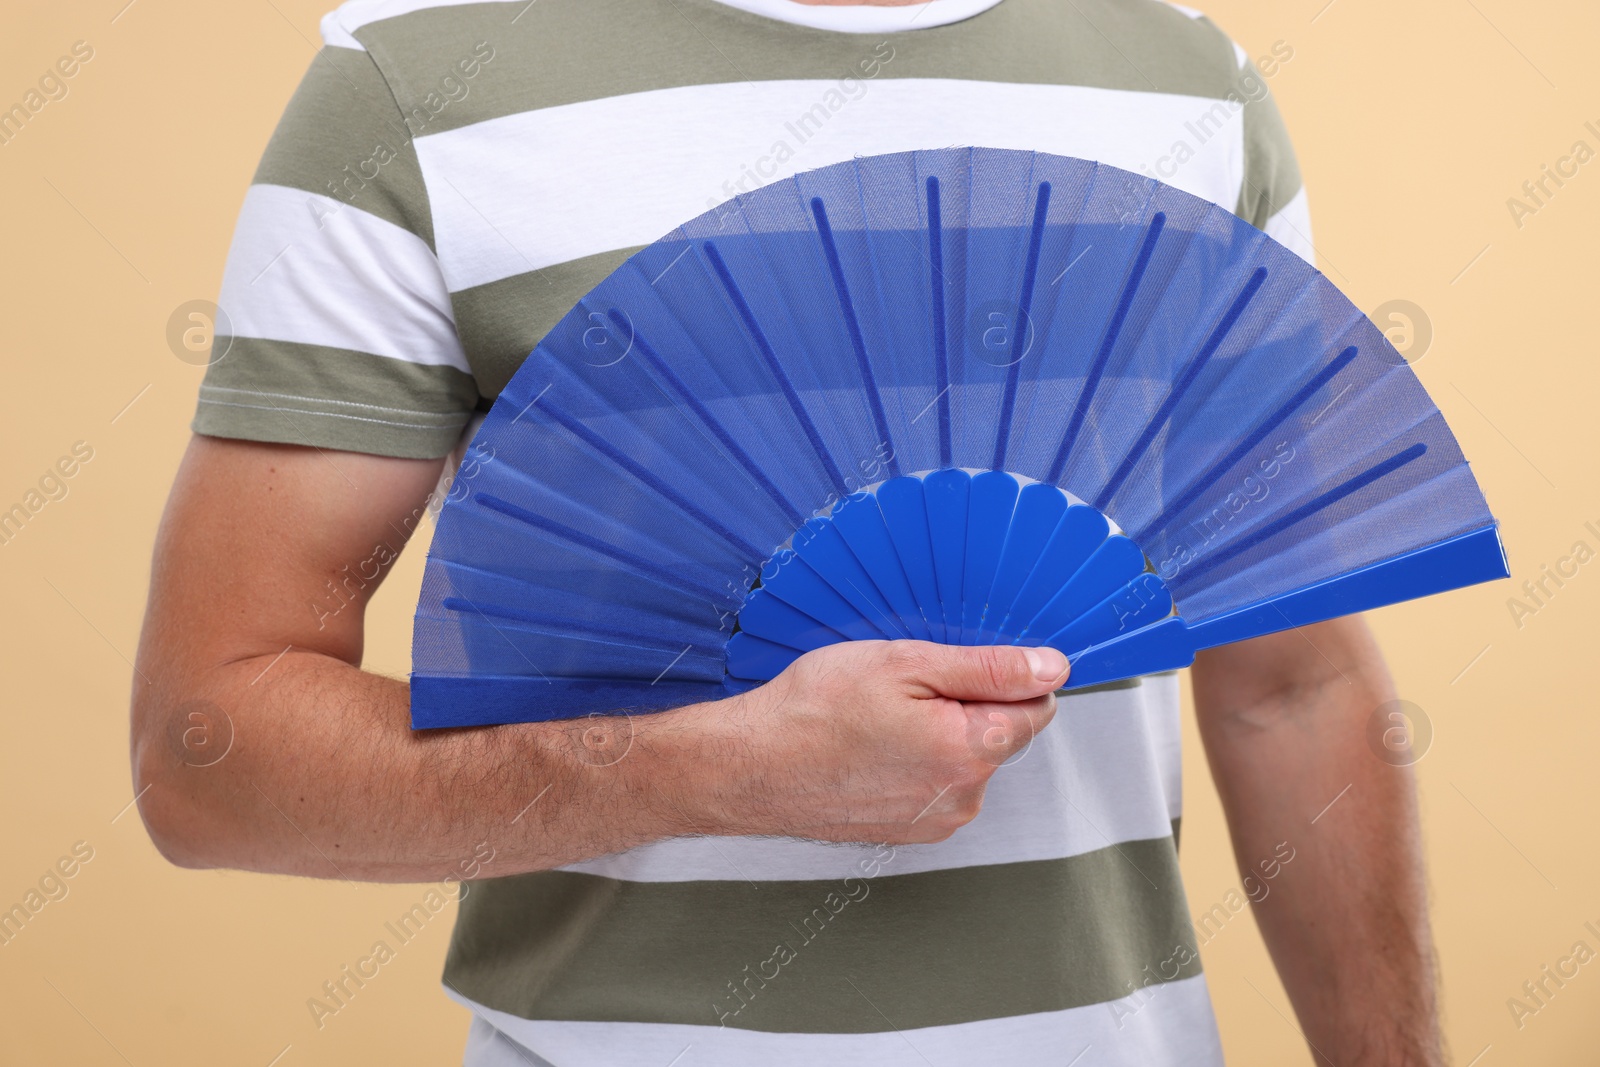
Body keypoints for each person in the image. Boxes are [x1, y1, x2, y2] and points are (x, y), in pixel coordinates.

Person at [131, 0, 1442, 1063]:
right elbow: (208, 753)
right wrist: (703, 772)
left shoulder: (1187, 85)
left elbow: (1293, 683)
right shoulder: (416, 87)